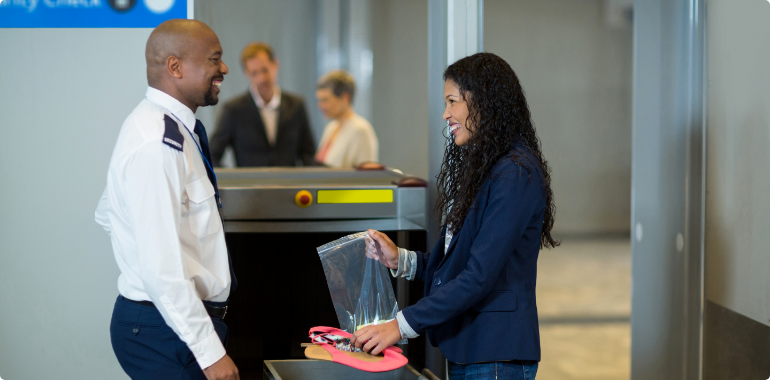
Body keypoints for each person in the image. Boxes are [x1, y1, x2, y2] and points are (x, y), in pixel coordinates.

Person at [351, 53, 559, 380]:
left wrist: (400, 326)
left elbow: (478, 275)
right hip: (470, 347)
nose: (446, 114)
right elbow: (458, 262)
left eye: (452, 101)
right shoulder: (488, 166)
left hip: (496, 352)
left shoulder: (515, 174)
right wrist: (401, 260)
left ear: (484, 101)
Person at [95, 19, 239, 380]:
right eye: (214, 59)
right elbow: (161, 269)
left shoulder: (168, 128)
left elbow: (108, 213)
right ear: (175, 67)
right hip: (166, 330)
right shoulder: (156, 143)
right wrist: (210, 354)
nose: (224, 69)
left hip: (173, 323)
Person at [209, 42, 316, 167]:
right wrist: (233, 178)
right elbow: (212, 155)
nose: (262, 78)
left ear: (275, 64)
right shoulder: (233, 109)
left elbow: (308, 155)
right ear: (247, 73)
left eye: (265, 70)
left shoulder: (296, 106)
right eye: (254, 73)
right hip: (250, 180)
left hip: (288, 180)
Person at [315, 70, 379, 168]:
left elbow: (367, 174)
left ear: (345, 98)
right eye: (319, 100)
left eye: (325, 100)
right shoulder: (331, 127)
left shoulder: (360, 130)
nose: (320, 106)